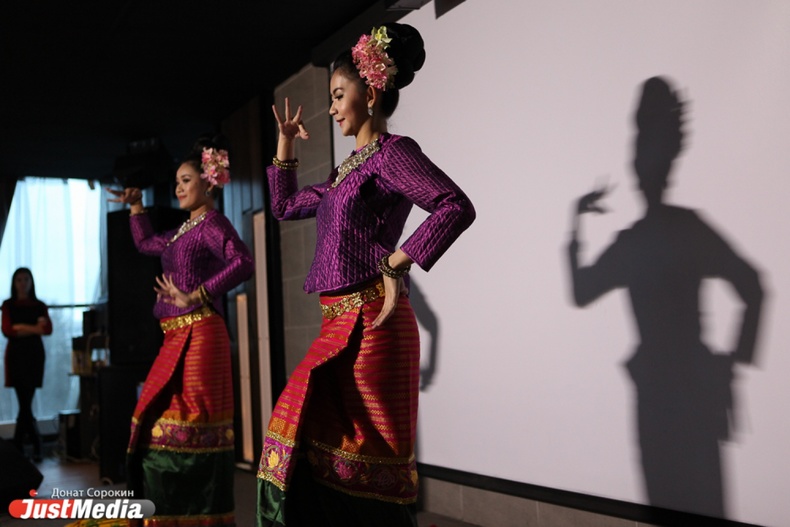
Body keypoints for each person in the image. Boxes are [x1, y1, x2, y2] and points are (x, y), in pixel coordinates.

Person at [256, 23, 476, 527]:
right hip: (337, 324)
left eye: (338, 95)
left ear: (370, 93)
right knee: (318, 454)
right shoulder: (344, 173)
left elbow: (454, 205)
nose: (332, 108)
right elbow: (285, 206)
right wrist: (285, 142)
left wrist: (399, 259)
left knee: (365, 466)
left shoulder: (393, 153)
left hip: (372, 326)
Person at [567, 77, 763, 517]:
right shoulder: (666, 234)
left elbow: (581, 291)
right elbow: (753, 287)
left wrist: (729, 367)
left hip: (666, 394)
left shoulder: (650, 237)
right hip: (670, 393)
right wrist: (728, 366)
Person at [107, 135, 254, 527]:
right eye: (176, 182)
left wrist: (198, 294)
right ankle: (171, 514)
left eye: (186, 180)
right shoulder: (182, 231)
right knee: (155, 423)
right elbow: (145, 243)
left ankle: (199, 515)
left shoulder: (212, 224)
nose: (178, 188)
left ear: (209, 182)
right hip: (174, 336)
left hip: (201, 334)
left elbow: (243, 262)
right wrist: (136, 205)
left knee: (191, 426)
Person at [2, 267, 52, 462]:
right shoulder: (8, 305)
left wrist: (21, 327)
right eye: (19, 280)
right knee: (24, 404)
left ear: (31, 282)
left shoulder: (39, 305)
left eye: (26, 279)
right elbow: (8, 330)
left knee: (25, 403)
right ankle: (34, 445)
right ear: (14, 283)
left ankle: (20, 447)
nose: (23, 284)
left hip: (33, 357)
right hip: (16, 357)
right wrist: (34, 328)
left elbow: (46, 329)